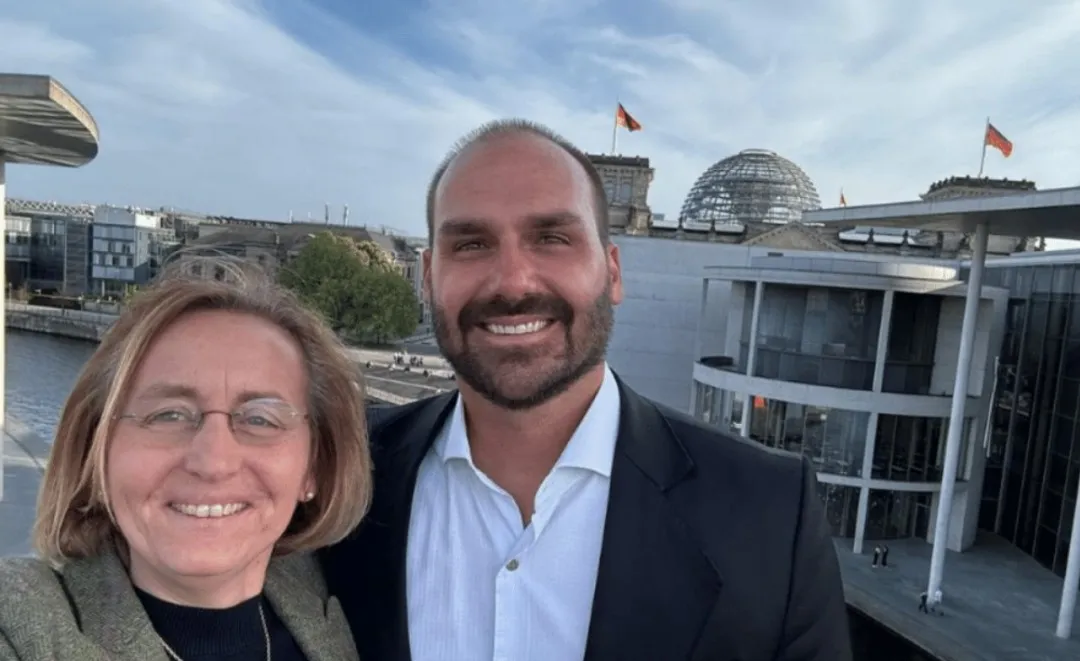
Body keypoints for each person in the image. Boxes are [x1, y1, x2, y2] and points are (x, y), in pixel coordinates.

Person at [320, 119, 852, 661]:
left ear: (612, 271)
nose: (512, 281)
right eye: (472, 243)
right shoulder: (336, 471)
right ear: (430, 276)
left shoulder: (769, 513)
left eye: (552, 238)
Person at [0, 259, 371, 661]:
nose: (213, 462)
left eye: (260, 419)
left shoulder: (334, 602)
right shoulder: (21, 622)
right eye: (169, 415)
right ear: (98, 447)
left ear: (314, 467)